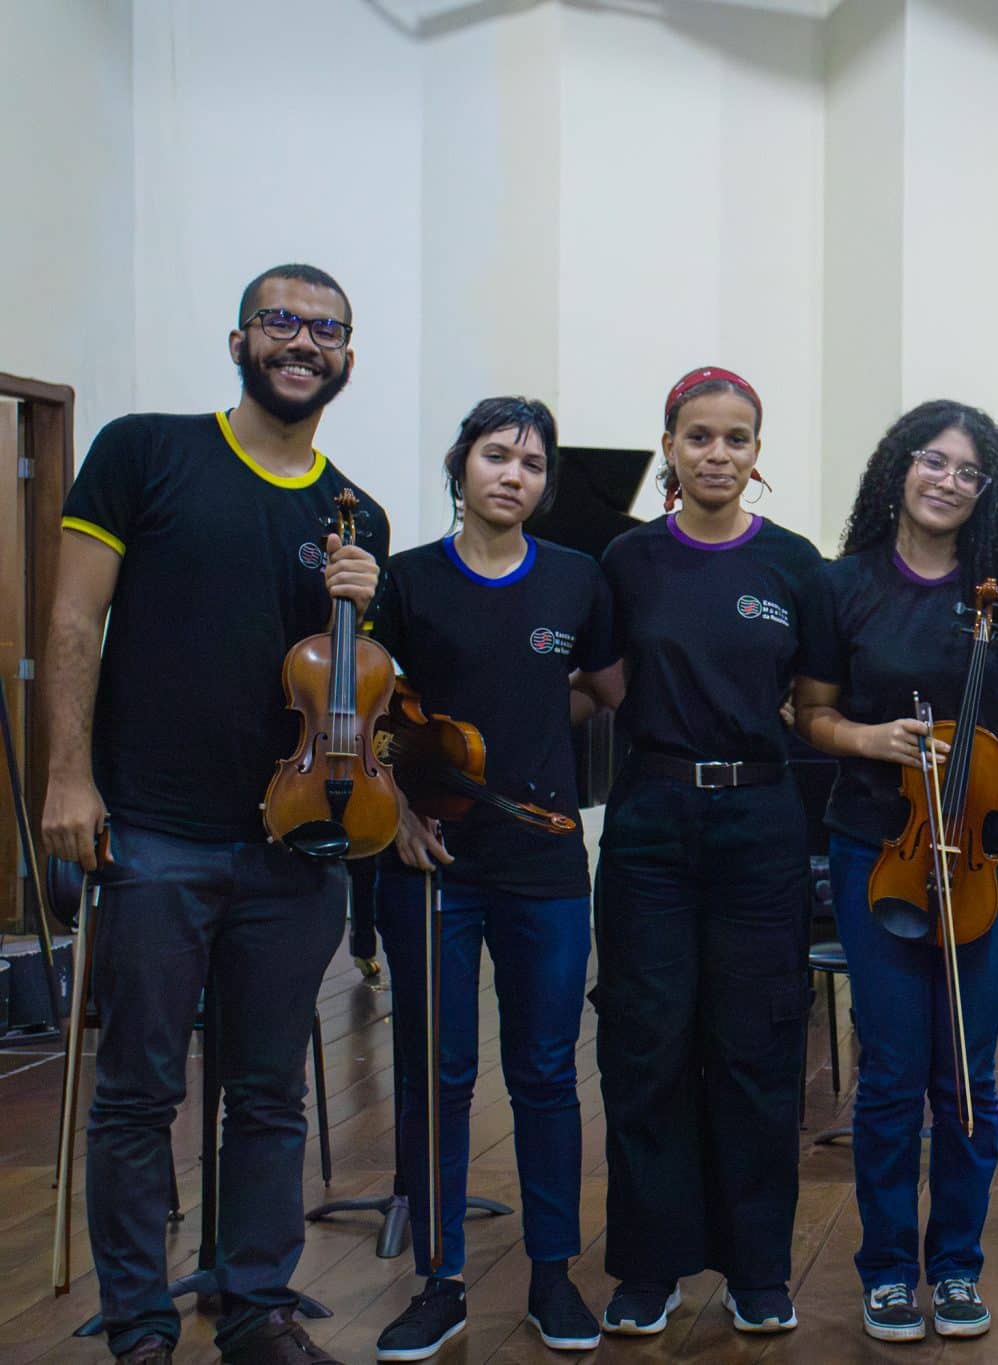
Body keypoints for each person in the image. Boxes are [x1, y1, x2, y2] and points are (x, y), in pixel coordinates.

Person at [40, 264, 385, 1365]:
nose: (303, 342)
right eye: (281, 321)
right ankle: (141, 1325)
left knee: (270, 1089)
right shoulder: (146, 451)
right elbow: (72, 620)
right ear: (239, 341)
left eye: (325, 330)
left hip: (297, 838)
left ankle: (255, 1308)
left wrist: (361, 606)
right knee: (138, 1092)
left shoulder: (355, 512)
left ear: (346, 358)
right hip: (154, 831)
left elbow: (360, 685)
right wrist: (67, 777)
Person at [792, 400, 998, 1342]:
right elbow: (810, 713)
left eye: (968, 471)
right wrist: (871, 737)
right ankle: (889, 1268)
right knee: (895, 1069)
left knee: (968, 1074)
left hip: (987, 848)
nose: (947, 480)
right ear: (899, 467)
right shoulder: (843, 585)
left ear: (988, 492)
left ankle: (956, 1266)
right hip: (878, 844)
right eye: (932, 461)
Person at [366, 397, 622, 1360]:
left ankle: (554, 1274)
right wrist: (393, 803)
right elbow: (363, 704)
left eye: (531, 463)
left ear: (545, 485)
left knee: (548, 1072)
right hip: (433, 864)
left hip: (547, 860)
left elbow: (607, 690)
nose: (513, 474)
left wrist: (532, 711)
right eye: (496, 455)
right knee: (438, 1074)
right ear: (460, 467)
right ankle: (440, 1281)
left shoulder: (577, 580)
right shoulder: (405, 580)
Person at [591, 366, 821, 1338]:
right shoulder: (626, 560)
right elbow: (606, 685)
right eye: (698, 436)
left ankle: (758, 1269)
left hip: (760, 825)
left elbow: (813, 705)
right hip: (649, 820)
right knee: (645, 1045)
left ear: (756, 454)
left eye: (735, 438)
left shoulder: (796, 564)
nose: (717, 453)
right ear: (670, 449)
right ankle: (648, 1266)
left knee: (756, 1047)